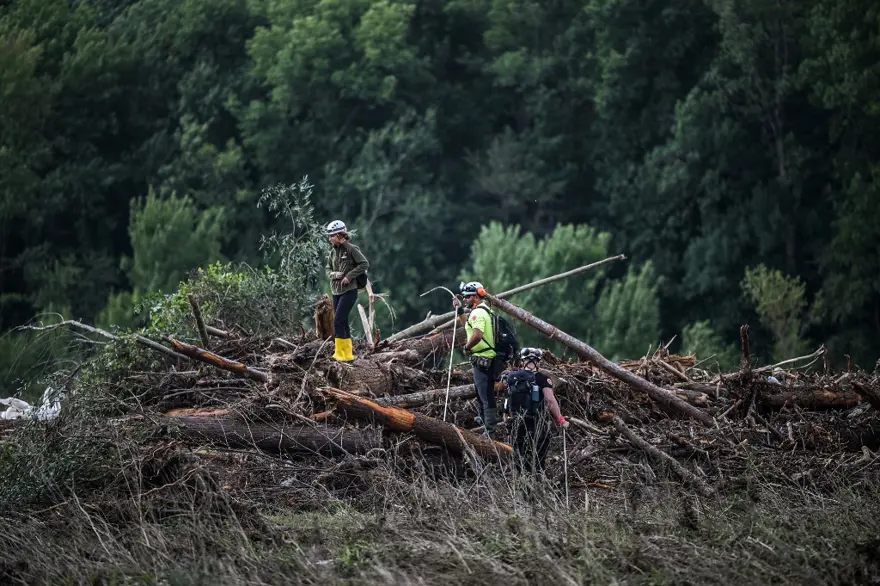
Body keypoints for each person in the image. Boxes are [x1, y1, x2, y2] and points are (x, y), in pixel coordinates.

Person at [504, 347, 569, 473]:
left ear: (522, 363)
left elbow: (506, 402)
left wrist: (507, 421)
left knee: (520, 457)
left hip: (516, 423)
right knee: (538, 458)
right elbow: (550, 401)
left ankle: (523, 484)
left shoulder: (511, 378)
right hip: (535, 423)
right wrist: (561, 420)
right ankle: (538, 481)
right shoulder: (541, 378)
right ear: (538, 363)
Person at [453, 281, 501, 433]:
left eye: (467, 297)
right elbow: (468, 325)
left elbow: (478, 335)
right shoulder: (482, 311)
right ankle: (485, 422)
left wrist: (467, 347)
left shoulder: (478, 313)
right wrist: (459, 309)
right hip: (486, 358)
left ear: (475, 297)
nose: (466, 300)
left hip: (483, 358)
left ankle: (490, 430)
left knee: (486, 394)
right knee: (482, 393)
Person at [325, 220, 369, 362]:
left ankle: (339, 354)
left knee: (337, 321)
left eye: (332, 235)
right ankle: (347, 355)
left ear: (339, 235)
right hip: (336, 291)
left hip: (349, 291)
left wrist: (349, 276)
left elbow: (364, 264)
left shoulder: (351, 249)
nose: (330, 238)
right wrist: (334, 275)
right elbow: (327, 270)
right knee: (342, 321)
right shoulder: (332, 252)